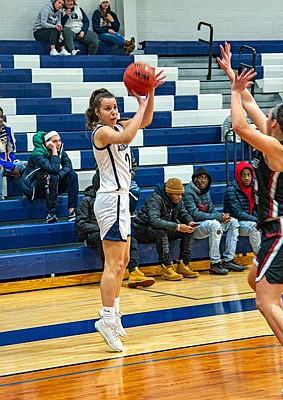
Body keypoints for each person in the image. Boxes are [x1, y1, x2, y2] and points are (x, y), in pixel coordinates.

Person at [217, 42, 283, 398]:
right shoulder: (279, 139)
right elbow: (248, 105)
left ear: (276, 124)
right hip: (279, 229)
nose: (267, 117)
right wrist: (234, 78)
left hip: (282, 229)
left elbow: (238, 125)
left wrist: (235, 91)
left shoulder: (276, 149)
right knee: (254, 281)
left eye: (271, 115)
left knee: (264, 300)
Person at [85, 73, 164, 352]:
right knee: (113, 264)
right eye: (108, 108)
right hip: (109, 200)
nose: (114, 111)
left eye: (116, 107)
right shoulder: (102, 132)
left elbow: (147, 121)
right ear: (97, 113)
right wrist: (139, 102)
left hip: (121, 201)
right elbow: (130, 134)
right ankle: (106, 319)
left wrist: (150, 93)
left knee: (125, 260)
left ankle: (114, 315)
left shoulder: (117, 127)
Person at [75, 171, 155, 288]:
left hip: (110, 229)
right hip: (91, 234)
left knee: (128, 236)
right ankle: (110, 273)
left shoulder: (113, 199)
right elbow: (81, 224)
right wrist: (101, 227)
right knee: (104, 238)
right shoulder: (86, 201)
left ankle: (134, 271)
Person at [133, 177, 199, 281]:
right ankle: (166, 267)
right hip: (143, 229)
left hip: (162, 227)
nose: (180, 197)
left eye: (181, 194)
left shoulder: (178, 200)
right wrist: (177, 227)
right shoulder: (155, 199)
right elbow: (154, 221)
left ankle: (183, 264)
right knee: (161, 233)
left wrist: (190, 222)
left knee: (188, 231)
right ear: (169, 193)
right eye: (177, 194)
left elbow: (183, 213)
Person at [183, 167, 245, 275]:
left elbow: (211, 209)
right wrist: (218, 217)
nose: (203, 180)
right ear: (195, 179)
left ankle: (228, 260)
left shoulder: (206, 191)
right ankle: (215, 263)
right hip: (194, 227)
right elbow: (195, 215)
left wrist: (222, 217)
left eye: (205, 178)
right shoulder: (188, 192)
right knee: (215, 224)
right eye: (200, 178)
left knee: (233, 222)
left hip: (206, 223)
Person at [22, 130, 78, 223]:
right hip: (33, 188)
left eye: (59, 140)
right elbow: (54, 168)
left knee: (72, 175)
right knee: (50, 175)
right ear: (47, 143)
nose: (58, 143)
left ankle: (72, 212)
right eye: (55, 141)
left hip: (51, 184)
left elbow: (68, 165)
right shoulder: (37, 153)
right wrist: (54, 151)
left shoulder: (61, 149)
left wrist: (60, 176)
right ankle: (50, 213)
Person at [223, 161, 261, 256]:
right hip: (236, 223)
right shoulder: (231, 190)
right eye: (243, 175)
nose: (247, 178)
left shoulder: (254, 189)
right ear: (238, 176)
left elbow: (258, 208)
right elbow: (237, 213)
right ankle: (261, 258)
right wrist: (257, 220)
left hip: (250, 220)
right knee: (254, 227)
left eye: (249, 175)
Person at [0, 107, 27, 200]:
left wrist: (12, 164)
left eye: (1, 117)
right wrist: (11, 167)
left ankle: (28, 193)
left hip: (8, 161)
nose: (0, 120)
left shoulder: (7, 128)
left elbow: (11, 150)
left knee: (27, 165)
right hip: (2, 164)